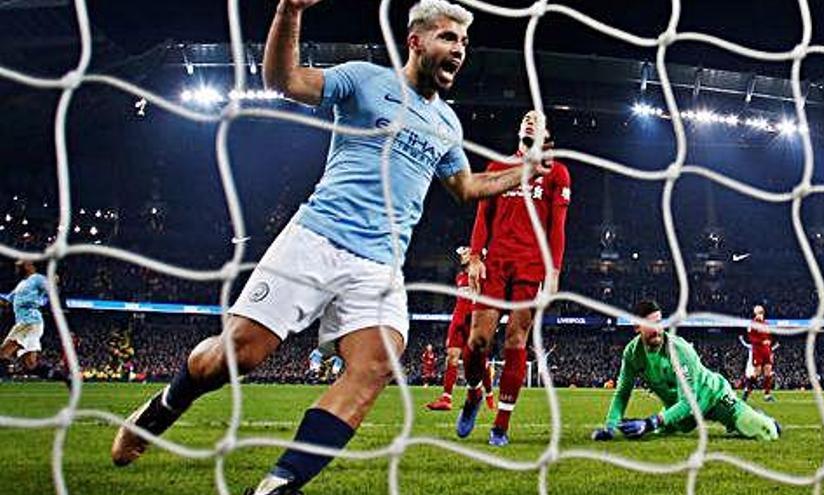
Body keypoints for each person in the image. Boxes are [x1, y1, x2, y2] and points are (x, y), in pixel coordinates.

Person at [110, 1, 551, 494]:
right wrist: (289, 12)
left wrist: (525, 171)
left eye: (464, 43)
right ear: (416, 41)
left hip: (380, 266)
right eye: (449, 38)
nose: (459, 50)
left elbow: (466, 189)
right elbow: (285, 81)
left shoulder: (447, 124)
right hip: (315, 240)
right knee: (235, 357)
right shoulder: (364, 80)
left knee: (377, 364)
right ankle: (163, 407)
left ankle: (279, 486)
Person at [456, 110, 571, 447]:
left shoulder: (557, 173)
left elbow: (557, 228)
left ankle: (500, 426)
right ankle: (475, 392)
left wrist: (554, 271)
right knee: (478, 341)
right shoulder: (496, 168)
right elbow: (482, 217)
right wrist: (475, 256)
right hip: (496, 262)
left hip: (531, 266)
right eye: (526, 117)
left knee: (515, 340)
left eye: (538, 118)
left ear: (548, 133)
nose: (530, 119)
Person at [592, 300, 780, 442]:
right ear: (636, 326)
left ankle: (764, 419)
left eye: (659, 322)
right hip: (681, 412)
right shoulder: (632, 353)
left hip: (713, 397)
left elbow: (687, 401)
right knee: (660, 432)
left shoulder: (679, 350)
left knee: (765, 433)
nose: (657, 329)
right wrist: (610, 427)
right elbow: (622, 393)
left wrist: (649, 423)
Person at [425, 247, 495, 411]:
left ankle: (489, 394)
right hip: (458, 320)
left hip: (474, 320)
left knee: (480, 361)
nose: (461, 257)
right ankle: (446, 398)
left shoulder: (483, 275)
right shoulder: (460, 277)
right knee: (452, 356)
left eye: (464, 254)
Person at [0, 260, 68, 387]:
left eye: (19, 265)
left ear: (29, 266)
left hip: (28, 321)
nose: (16, 267)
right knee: (30, 365)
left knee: (3, 353)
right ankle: (67, 379)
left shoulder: (36, 278)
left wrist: (54, 279)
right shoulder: (21, 284)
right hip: (29, 323)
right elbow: (6, 302)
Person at [742, 305, 776, 402]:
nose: (759, 315)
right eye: (758, 313)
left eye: (761, 313)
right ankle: (747, 391)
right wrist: (761, 342)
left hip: (767, 350)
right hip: (757, 350)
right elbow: (751, 338)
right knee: (756, 372)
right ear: (755, 314)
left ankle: (767, 395)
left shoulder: (766, 324)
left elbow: (769, 336)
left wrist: (769, 344)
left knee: (768, 372)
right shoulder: (752, 324)